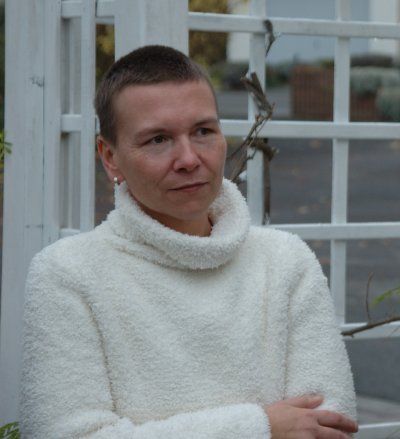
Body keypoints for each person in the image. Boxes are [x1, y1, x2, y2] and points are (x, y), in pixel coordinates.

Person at [19, 45, 358, 438]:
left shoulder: (285, 261)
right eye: (158, 139)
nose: (189, 159)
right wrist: (261, 427)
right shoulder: (68, 274)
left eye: (203, 132)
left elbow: (329, 426)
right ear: (109, 156)